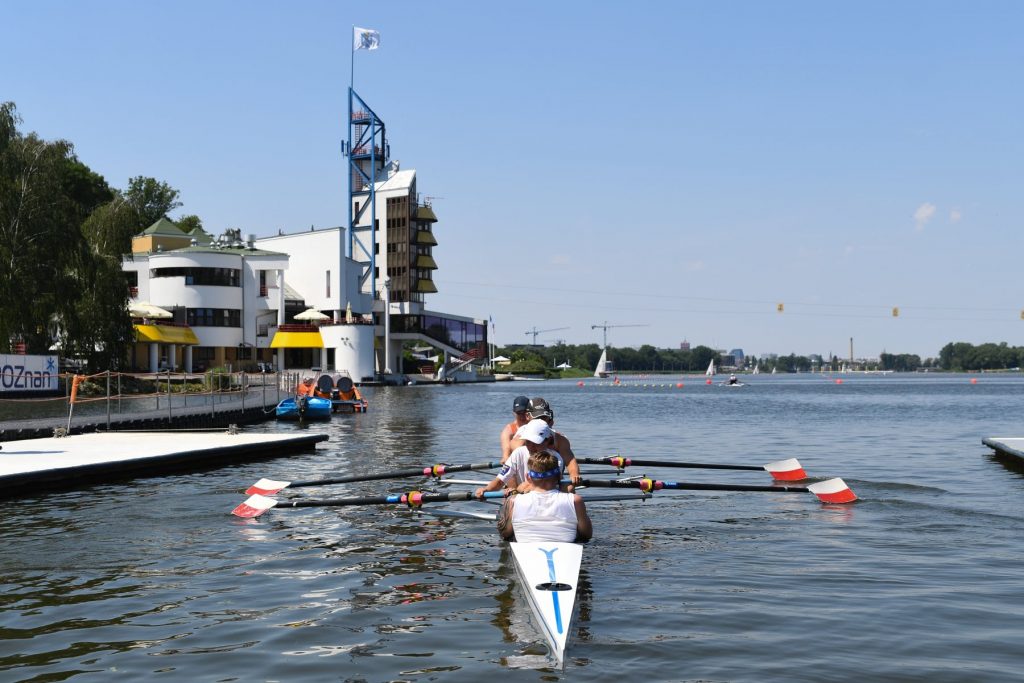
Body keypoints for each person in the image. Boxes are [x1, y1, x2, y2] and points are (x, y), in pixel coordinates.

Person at [497, 449, 592, 543]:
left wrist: (506, 505)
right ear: (559, 477)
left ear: (528, 478)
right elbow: (587, 534)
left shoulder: (513, 501)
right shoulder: (575, 500)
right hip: (566, 547)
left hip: (526, 548)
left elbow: (505, 533)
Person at [476, 419, 565, 498]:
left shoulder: (555, 458)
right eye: (528, 442)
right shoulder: (518, 453)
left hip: (548, 499)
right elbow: (500, 481)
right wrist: (486, 490)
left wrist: (516, 491)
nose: (531, 447)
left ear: (547, 440)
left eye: (536, 443)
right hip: (524, 499)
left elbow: (539, 486)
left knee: (569, 487)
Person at [517, 397, 581, 486]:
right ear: (527, 416)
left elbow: (570, 461)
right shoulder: (522, 434)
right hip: (524, 485)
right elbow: (513, 450)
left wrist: (574, 475)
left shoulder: (560, 439)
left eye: (544, 417)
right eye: (537, 417)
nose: (541, 421)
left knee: (570, 488)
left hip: (551, 484)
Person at [499, 395, 531, 463]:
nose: (522, 416)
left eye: (524, 412)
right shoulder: (508, 430)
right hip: (517, 464)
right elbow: (506, 453)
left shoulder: (536, 426)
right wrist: (506, 458)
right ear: (514, 413)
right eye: (519, 413)